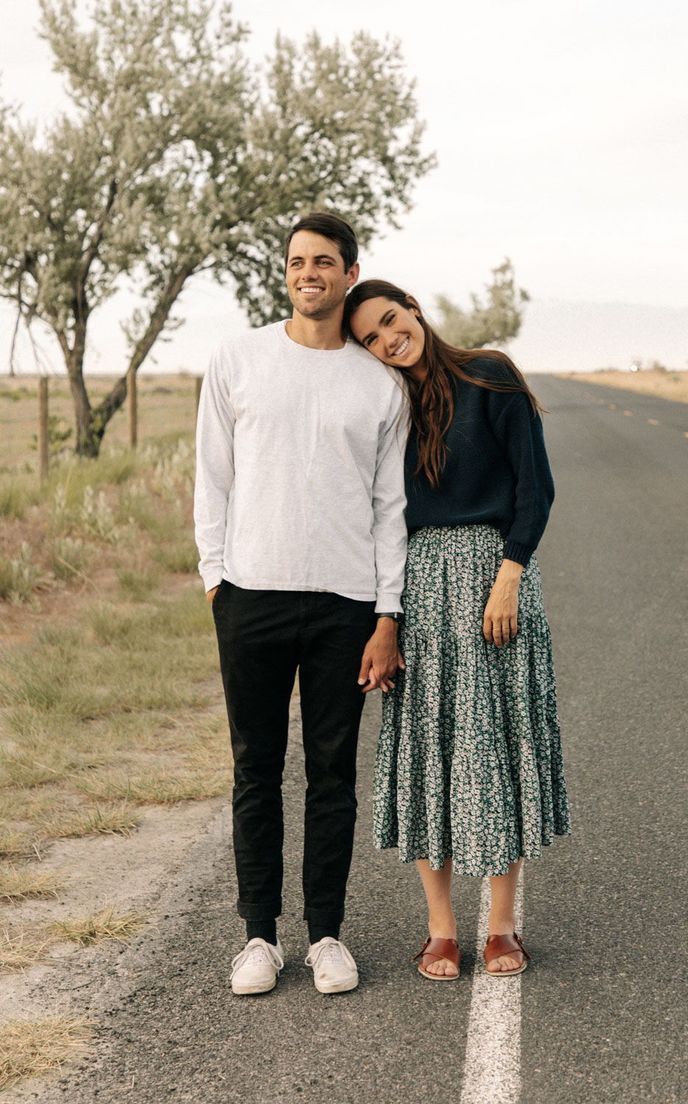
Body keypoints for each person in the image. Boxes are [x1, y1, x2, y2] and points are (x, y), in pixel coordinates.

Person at [194, 217, 407, 996]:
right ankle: (258, 937)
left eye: (324, 262)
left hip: (348, 606)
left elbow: (390, 508)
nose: (307, 273)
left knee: (332, 775)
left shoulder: (378, 384)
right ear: (284, 273)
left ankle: (325, 936)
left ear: (351, 273)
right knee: (255, 769)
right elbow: (210, 476)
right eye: (296, 262)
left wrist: (388, 613)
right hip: (251, 596)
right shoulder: (238, 359)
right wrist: (216, 578)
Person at [343, 279, 571, 980]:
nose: (389, 340)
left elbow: (536, 486)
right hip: (419, 589)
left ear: (412, 307)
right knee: (429, 748)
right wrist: (384, 617)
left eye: (390, 321)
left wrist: (507, 578)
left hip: (496, 580)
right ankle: (441, 929)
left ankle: (503, 926)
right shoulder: (385, 405)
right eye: (371, 339)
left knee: (498, 743)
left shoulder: (489, 375)